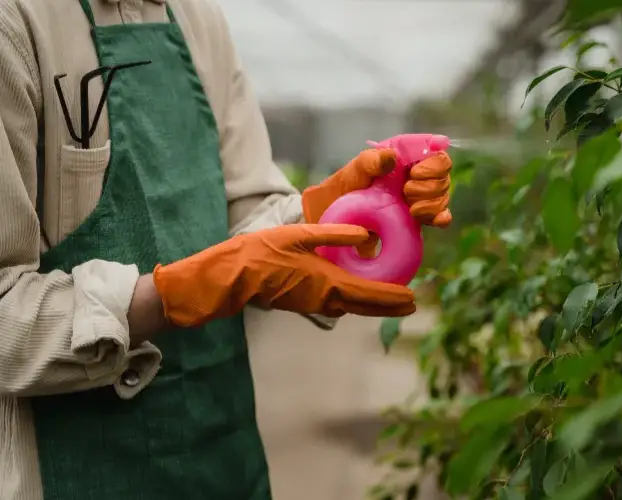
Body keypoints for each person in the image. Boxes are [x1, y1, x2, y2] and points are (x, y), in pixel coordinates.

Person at [0, 0, 453, 498]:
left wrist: (327, 214)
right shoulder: (17, 22)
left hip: (220, 450)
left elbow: (250, 204)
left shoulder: (197, 18)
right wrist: (178, 291)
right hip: (78, 467)